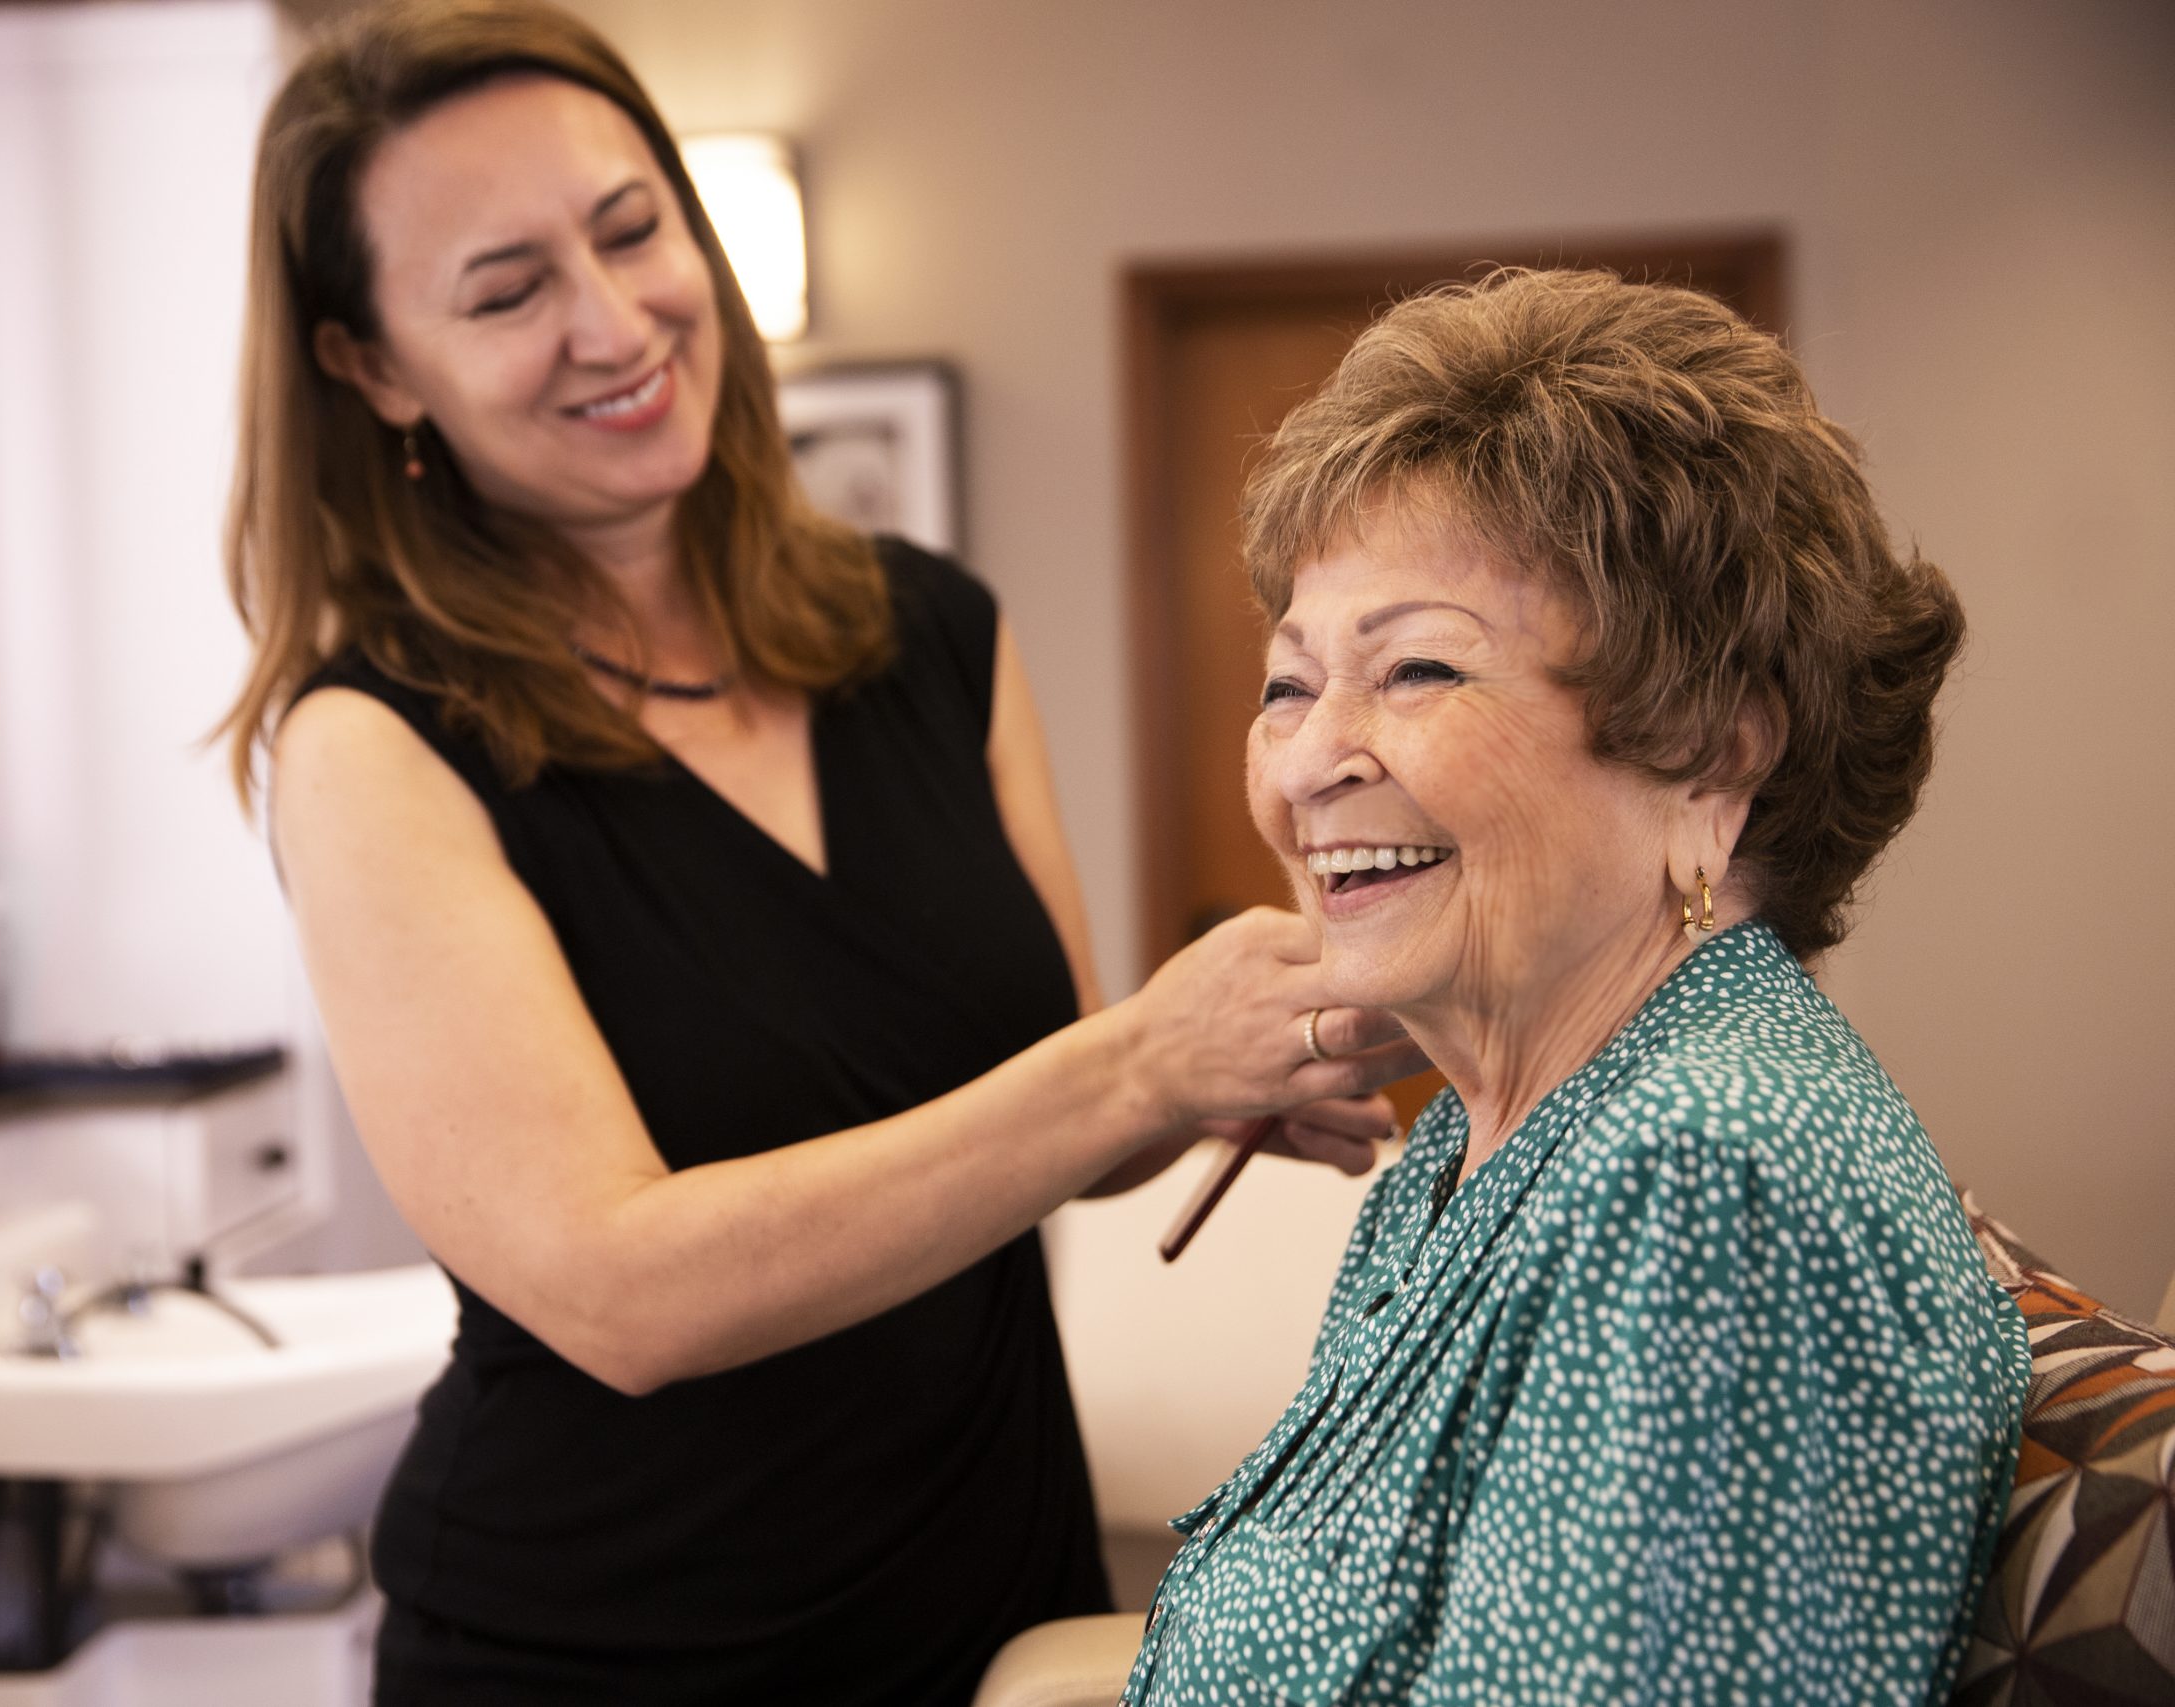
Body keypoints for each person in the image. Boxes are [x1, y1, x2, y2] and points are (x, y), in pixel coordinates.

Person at [217, 2, 1427, 1700]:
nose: (612, 318)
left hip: (987, 1598)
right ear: (371, 366)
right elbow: (620, 1293)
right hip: (612, 1648)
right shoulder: (375, 749)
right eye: (505, 293)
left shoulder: (929, 634)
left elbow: (1061, 1126)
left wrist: (1225, 1067)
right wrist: (1138, 1063)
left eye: (632, 231)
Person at [1123, 268, 2030, 1705]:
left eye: (1417, 669)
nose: (1307, 765)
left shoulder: (1706, 1184)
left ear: (1713, 759)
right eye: (1290, 685)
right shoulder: (1477, 1138)